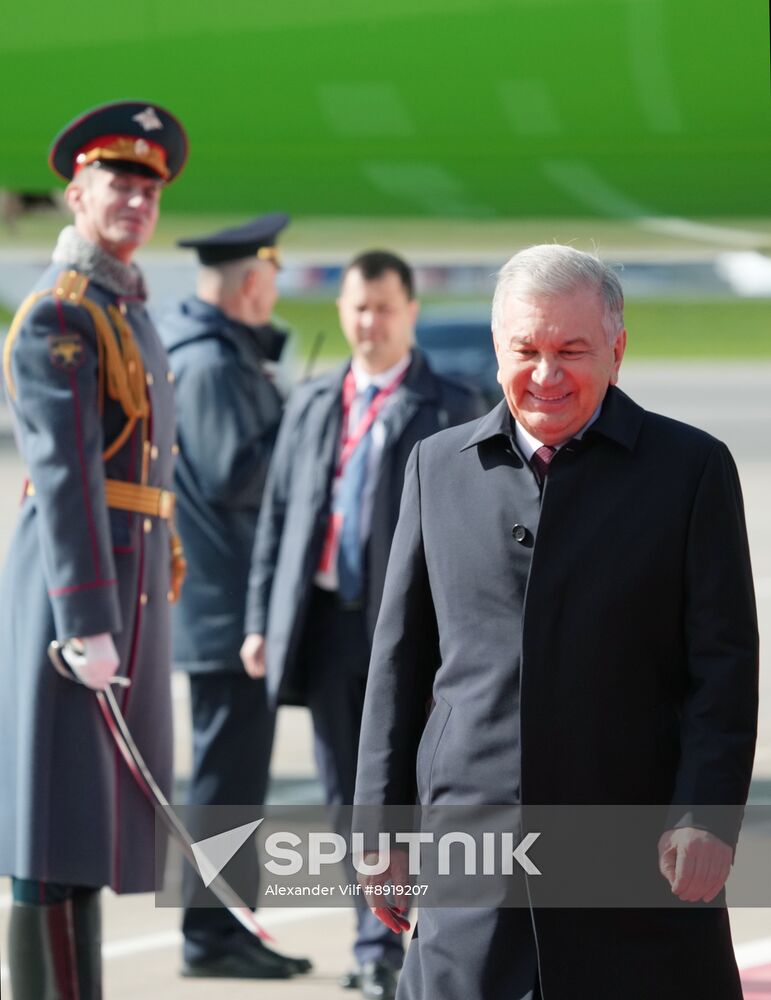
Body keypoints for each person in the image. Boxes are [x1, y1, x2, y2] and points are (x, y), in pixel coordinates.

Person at [353, 244, 759, 1000]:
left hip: (635, 858)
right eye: (525, 350)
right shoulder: (434, 468)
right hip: (468, 863)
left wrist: (706, 815)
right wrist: (378, 828)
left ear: (617, 349)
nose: (545, 375)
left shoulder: (691, 471)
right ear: (497, 349)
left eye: (571, 350)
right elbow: (399, 662)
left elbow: (724, 665)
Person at [240, 250, 485, 999]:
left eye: (382, 307)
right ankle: (371, 939)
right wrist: (260, 621)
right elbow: (278, 520)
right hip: (323, 625)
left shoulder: (448, 405)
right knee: (346, 798)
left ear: (410, 312)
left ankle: (412, 937)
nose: (367, 322)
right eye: (355, 307)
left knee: (406, 789)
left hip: (407, 635)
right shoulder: (315, 401)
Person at [0, 100, 188, 998]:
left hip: (126, 592)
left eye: (148, 190)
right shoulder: (61, 314)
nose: (136, 202)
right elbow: (67, 473)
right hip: (79, 602)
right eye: (119, 183)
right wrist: (87, 617)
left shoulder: (126, 304)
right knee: (52, 825)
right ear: (78, 191)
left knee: (87, 827)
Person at [160, 214, 311, 979]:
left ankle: (223, 923)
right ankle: (210, 932)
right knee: (226, 780)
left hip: (223, 602)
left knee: (236, 777)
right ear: (252, 283)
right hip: (226, 608)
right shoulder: (215, 366)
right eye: (272, 278)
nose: (275, 291)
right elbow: (234, 475)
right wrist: (302, 430)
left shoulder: (217, 356)